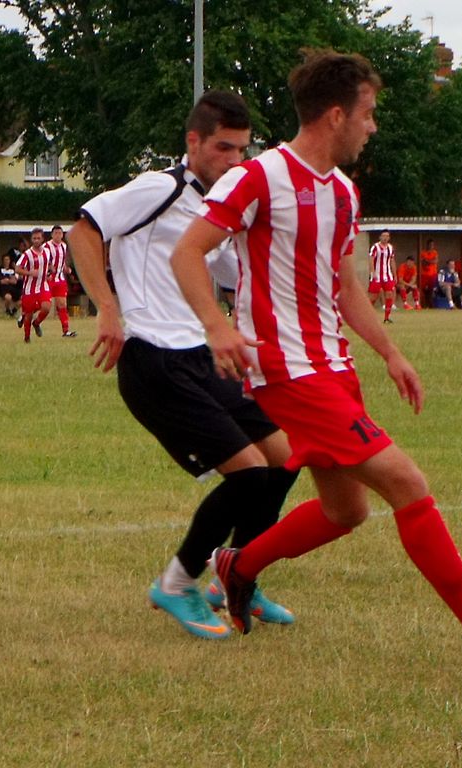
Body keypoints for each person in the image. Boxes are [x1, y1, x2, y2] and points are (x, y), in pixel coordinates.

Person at [170, 51, 462, 653]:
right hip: (288, 370)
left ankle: (237, 567)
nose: (372, 126)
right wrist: (217, 327)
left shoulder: (344, 193)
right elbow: (187, 253)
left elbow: (346, 285)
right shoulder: (259, 177)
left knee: (346, 511)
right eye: (368, 113)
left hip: (333, 367)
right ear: (334, 116)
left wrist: (390, 353)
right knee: (406, 480)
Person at [67, 89, 298, 640]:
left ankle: (237, 574)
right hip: (154, 361)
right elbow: (83, 230)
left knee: (286, 458)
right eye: (223, 148)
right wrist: (108, 308)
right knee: (246, 473)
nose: (234, 161)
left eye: (242, 150)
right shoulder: (159, 188)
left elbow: (225, 277)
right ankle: (176, 582)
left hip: (202, 355)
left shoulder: (222, 211)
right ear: (193, 142)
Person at [15, 227, 51, 343]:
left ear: (42, 239)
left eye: (38, 238)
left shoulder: (46, 251)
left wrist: (49, 272)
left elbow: (47, 264)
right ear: (31, 239)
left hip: (42, 285)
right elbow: (17, 269)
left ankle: (37, 323)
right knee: (28, 314)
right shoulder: (27, 254)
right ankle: (27, 337)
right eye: (34, 238)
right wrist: (30, 272)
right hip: (29, 288)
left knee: (46, 307)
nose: (36, 240)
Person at [44, 225, 77, 337]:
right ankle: (30, 318)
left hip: (60, 280)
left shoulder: (64, 246)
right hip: (48, 279)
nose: (58, 235)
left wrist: (66, 269)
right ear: (52, 235)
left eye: (60, 233)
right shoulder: (46, 246)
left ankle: (66, 330)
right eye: (56, 233)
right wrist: (49, 266)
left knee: (62, 304)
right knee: (43, 305)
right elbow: (42, 260)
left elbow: (61, 262)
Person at [367, 229, 396, 323]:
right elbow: (371, 259)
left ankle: (387, 317)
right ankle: (367, 316)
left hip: (387, 275)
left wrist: (395, 275)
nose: (385, 238)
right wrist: (373, 272)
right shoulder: (375, 247)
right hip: (377, 276)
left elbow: (392, 261)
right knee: (373, 297)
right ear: (380, 237)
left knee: (389, 294)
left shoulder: (390, 248)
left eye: (387, 236)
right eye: (383, 236)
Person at [419, 238, 439, 307]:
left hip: (433, 274)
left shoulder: (435, 252)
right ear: (427, 245)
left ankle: (431, 305)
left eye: (432, 245)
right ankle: (423, 305)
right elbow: (423, 263)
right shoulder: (423, 252)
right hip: (424, 274)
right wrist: (430, 261)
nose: (431, 246)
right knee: (423, 290)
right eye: (430, 245)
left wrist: (428, 261)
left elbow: (435, 261)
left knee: (431, 289)